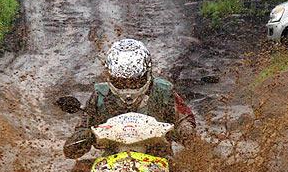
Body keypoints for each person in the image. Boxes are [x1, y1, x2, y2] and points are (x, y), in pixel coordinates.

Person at [63, 38, 196, 160]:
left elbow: (184, 118)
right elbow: (82, 128)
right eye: (121, 82)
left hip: (159, 156)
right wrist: (82, 138)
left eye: (134, 81)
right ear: (109, 75)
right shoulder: (100, 95)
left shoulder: (164, 91)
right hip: (111, 158)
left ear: (147, 74)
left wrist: (185, 131)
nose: (128, 87)